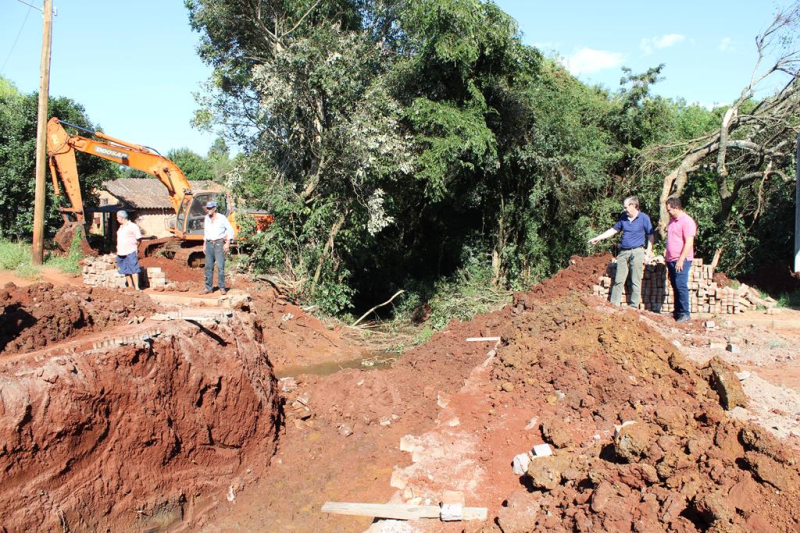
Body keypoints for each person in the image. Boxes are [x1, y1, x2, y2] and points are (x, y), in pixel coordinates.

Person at [588, 196, 655, 308]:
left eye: (626, 207)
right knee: (619, 280)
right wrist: (598, 238)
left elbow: (651, 236)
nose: (624, 209)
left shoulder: (644, 218)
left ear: (633, 206)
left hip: (638, 251)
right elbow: (613, 230)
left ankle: (633, 307)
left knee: (636, 280)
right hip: (624, 252)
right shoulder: (623, 217)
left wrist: (647, 254)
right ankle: (614, 305)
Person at [665, 196, 697, 323]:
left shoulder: (687, 222)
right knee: (674, 285)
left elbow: (689, 242)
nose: (668, 212)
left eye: (670, 210)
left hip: (681, 259)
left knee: (680, 285)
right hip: (671, 259)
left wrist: (681, 259)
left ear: (677, 207)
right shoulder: (672, 221)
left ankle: (685, 313)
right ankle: (677, 311)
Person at [202, 200, 234, 295]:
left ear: (215, 208)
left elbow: (230, 229)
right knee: (208, 266)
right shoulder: (206, 218)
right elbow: (206, 232)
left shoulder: (221, 218)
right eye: (207, 208)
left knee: (220, 266)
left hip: (219, 243)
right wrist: (204, 244)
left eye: (211, 208)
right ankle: (208, 287)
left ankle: (222, 287)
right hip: (209, 244)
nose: (209, 210)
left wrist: (227, 243)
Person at [115, 210, 143, 290]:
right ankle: (130, 286)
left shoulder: (133, 226)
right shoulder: (121, 227)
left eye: (117, 217)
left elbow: (139, 239)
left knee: (133, 269)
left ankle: (137, 287)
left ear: (121, 218)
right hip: (121, 252)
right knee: (125, 269)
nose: (117, 219)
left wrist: (134, 247)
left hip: (130, 251)